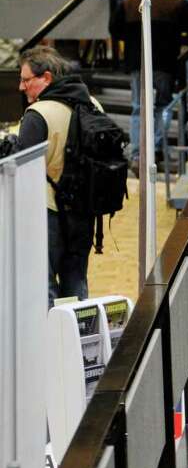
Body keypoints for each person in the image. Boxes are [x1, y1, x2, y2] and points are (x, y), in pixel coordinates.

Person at [15, 46, 106, 303]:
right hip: (85, 208)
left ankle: (47, 339)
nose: (22, 87)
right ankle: (77, 337)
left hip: (48, 209)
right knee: (77, 278)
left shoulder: (38, 114)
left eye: (26, 80)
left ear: (46, 78)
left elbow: (24, 169)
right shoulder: (92, 104)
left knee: (42, 282)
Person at [121, 0, 188, 169]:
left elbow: (115, 29)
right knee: (163, 105)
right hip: (165, 63)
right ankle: (156, 148)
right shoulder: (176, 4)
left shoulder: (129, 2)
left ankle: (137, 153)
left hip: (138, 63)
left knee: (138, 106)